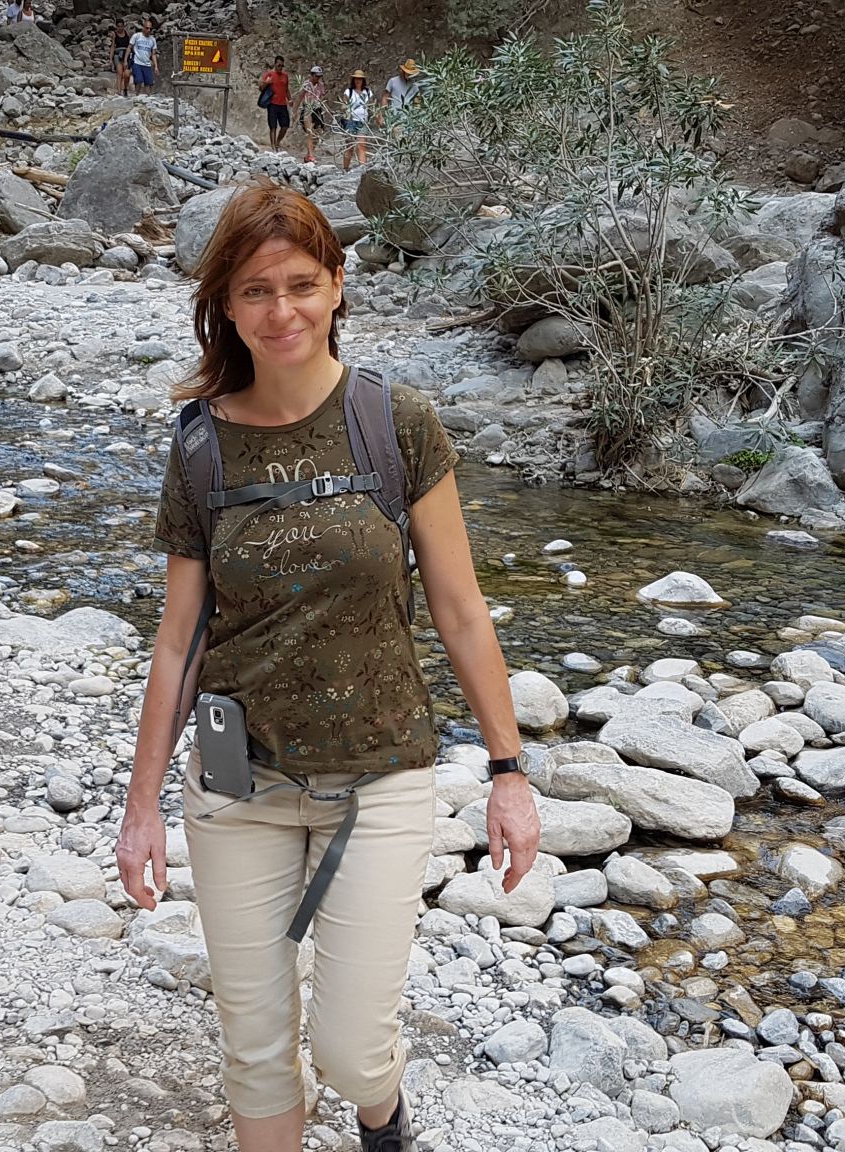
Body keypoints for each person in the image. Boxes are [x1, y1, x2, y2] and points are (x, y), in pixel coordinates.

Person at [116, 182, 541, 1152]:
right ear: (226, 305)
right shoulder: (200, 449)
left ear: (338, 285)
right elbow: (178, 640)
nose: (282, 312)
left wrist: (510, 774)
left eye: (301, 285)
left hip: (379, 774)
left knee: (351, 1053)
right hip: (236, 785)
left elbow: (460, 611)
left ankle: (378, 1111)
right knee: (257, 1049)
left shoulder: (395, 424)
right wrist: (141, 807)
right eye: (256, 291)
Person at [294, 65, 329, 164]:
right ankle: (311, 155)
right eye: (316, 76)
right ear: (312, 75)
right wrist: (295, 111)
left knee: (317, 133)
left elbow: (321, 99)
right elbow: (300, 97)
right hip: (307, 109)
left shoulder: (320, 85)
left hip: (317, 109)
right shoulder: (306, 85)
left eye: (319, 76)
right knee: (310, 132)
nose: (318, 78)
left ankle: (309, 154)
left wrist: (328, 110)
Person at [340, 71, 374, 170]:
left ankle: (362, 170)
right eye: (356, 79)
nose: (358, 81)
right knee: (350, 146)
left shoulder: (368, 92)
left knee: (362, 145)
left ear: (363, 80)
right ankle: (345, 168)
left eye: (360, 79)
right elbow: (343, 104)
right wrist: (345, 109)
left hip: (363, 121)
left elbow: (372, 106)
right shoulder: (348, 92)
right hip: (350, 121)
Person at [259, 56, 292, 151]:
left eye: (282, 66)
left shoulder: (285, 76)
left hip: (283, 104)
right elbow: (261, 88)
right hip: (272, 104)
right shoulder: (269, 74)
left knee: (285, 126)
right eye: (279, 65)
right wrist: (267, 82)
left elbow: (286, 89)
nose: (280, 67)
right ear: (275, 64)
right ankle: (273, 147)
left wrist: (290, 99)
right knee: (273, 126)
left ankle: (277, 142)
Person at [129, 19, 159, 93]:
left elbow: (153, 54)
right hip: (137, 62)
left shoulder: (152, 40)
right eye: (147, 28)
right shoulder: (137, 36)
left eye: (150, 29)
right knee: (138, 80)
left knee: (149, 83)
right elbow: (129, 47)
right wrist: (126, 60)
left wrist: (156, 66)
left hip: (147, 64)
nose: (149, 30)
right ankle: (136, 95)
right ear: (143, 28)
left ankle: (148, 96)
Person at [111, 20, 132, 93]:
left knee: (126, 73)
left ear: (124, 26)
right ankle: (119, 91)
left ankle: (125, 88)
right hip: (117, 54)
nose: (120, 28)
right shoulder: (114, 34)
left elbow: (130, 45)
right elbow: (112, 46)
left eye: (121, 26)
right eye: (118, 26)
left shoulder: (127, 33)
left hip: (126, 54)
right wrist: (110, 58)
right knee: (119, 72)